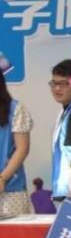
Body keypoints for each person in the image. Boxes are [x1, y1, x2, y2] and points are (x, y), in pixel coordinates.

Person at [48, 59, 71, 202]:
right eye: (54, 83)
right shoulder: (68, 110)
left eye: (64, 84)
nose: (57, 89)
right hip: (69, 192)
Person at [0, 67, 34, 216]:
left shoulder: (15, 109)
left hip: (10, 189)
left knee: (12, 230)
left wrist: (2, 178)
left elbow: (22, 149)